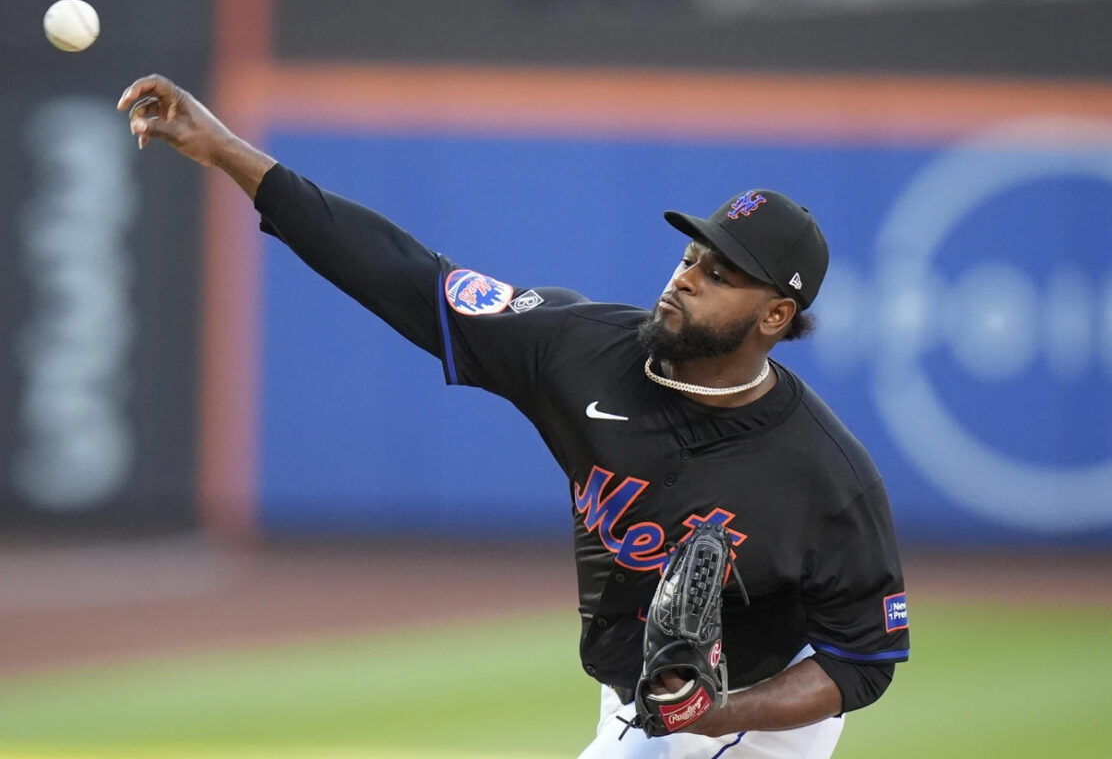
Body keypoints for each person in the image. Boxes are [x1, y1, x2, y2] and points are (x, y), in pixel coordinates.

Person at [119, 74, 909, 759]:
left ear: (775, 315)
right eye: (691, 256)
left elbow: (860, 658)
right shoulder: (577, 348)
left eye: (722, 273)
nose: (687, 278)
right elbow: (400, 273)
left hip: (754, 709)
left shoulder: (825, 475)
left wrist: (716, 713)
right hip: (639, 685)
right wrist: (225, 149)